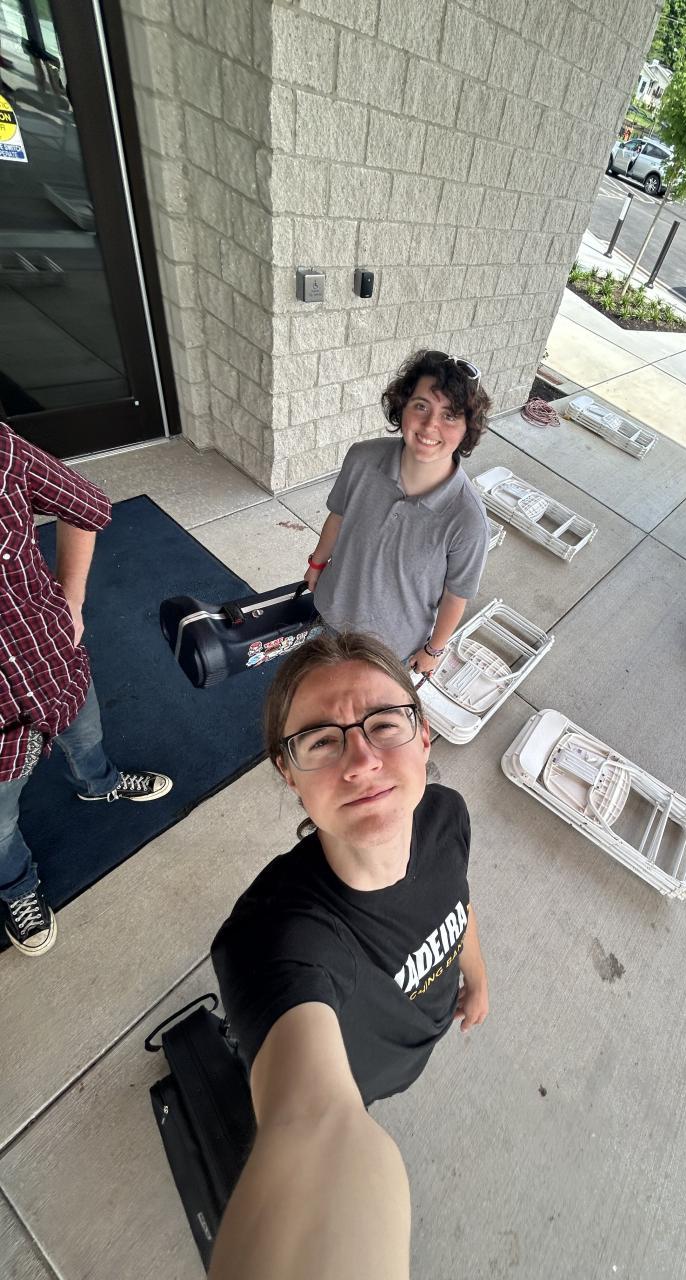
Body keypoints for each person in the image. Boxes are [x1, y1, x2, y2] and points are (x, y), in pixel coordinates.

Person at [209, 632, 489, 1280]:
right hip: (352, 1084)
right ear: (289, 773)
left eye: (384, 724)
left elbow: (459, 898)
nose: (361, 761)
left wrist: (475, 973)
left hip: (412, 1046)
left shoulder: (445, 815)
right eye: (321, 741)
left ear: (424, 736)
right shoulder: (275, 937)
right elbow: (315, 1127)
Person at [0, 421, 172, 957]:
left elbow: (85, 505)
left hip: (53, 662)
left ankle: (99, 783)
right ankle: (17, 887)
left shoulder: (1, 449)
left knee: (87, 737)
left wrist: (71, 602)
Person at [303, 349, 492, 677]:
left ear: (467, 429)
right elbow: (338, 517)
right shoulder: (362, 459)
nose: (430, 425)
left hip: (391, 648)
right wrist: (317, 563)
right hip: (331, 612)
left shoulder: (468, 520)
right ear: (402, 406)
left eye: (450, 415)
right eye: (421, 406)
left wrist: (434, 649)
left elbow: (456, 594)